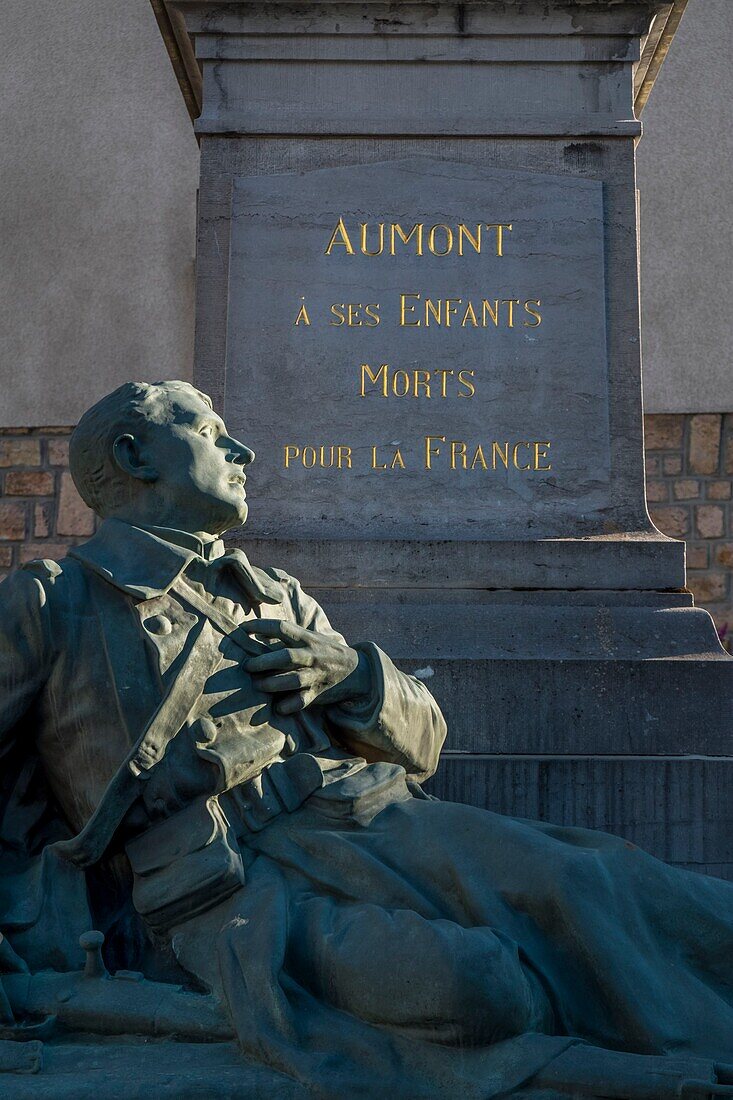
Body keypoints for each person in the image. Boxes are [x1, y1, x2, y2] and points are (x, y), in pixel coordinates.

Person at [0, 380, 731, 1098]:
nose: (241, 449)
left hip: (373, 824)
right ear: (133, 455)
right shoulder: (55, 599)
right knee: (482, 990)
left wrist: (350, 674)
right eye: (208, 430)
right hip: (224, 889)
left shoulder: (273, 593)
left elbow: (425, 741)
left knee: (588, 880)